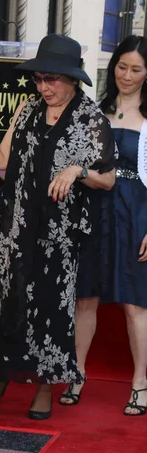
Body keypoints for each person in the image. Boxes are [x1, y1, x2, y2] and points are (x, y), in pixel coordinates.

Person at [0, 34, 116, 420]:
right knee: (3, 301)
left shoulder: (91, 119)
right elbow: (2, 158)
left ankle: (45, 386)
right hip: (18, 225)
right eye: (39, 78)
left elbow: (107, 179)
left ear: (73, 79)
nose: (44, 87)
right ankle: (0, 376)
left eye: (52, 80)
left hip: (59, 235)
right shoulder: (26, 109)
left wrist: (77, 171)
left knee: (49, 307)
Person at [61, 35, 147, 416]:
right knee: (85, 298)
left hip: (137, 214)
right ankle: (76, 373)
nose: (127, 75)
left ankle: (141, 382)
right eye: (122, 66)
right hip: (94, 211)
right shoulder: (95, 110)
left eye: (136, 69)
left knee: (135, 303)